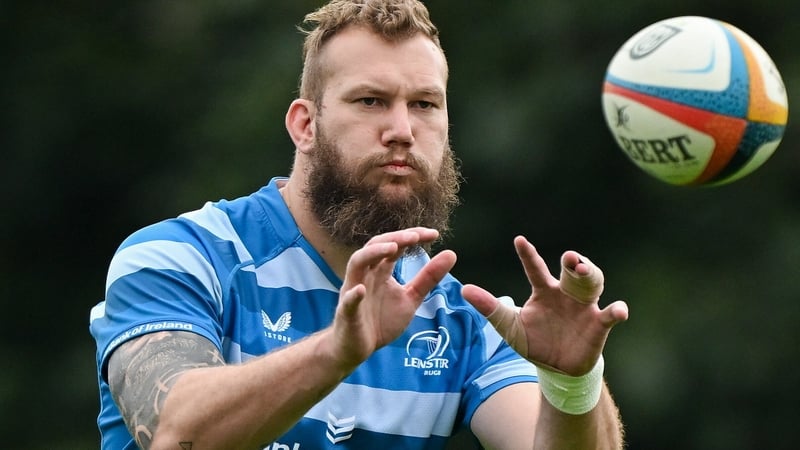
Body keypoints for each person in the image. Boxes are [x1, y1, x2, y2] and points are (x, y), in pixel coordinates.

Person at [89, 0, 630, 449]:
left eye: (424, 104)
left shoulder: (462, 320)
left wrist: (572, 382)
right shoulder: (181, 259)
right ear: (305, 124)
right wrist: (337, 350)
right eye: (371, 101)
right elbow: (176, 433)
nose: (402, 130)